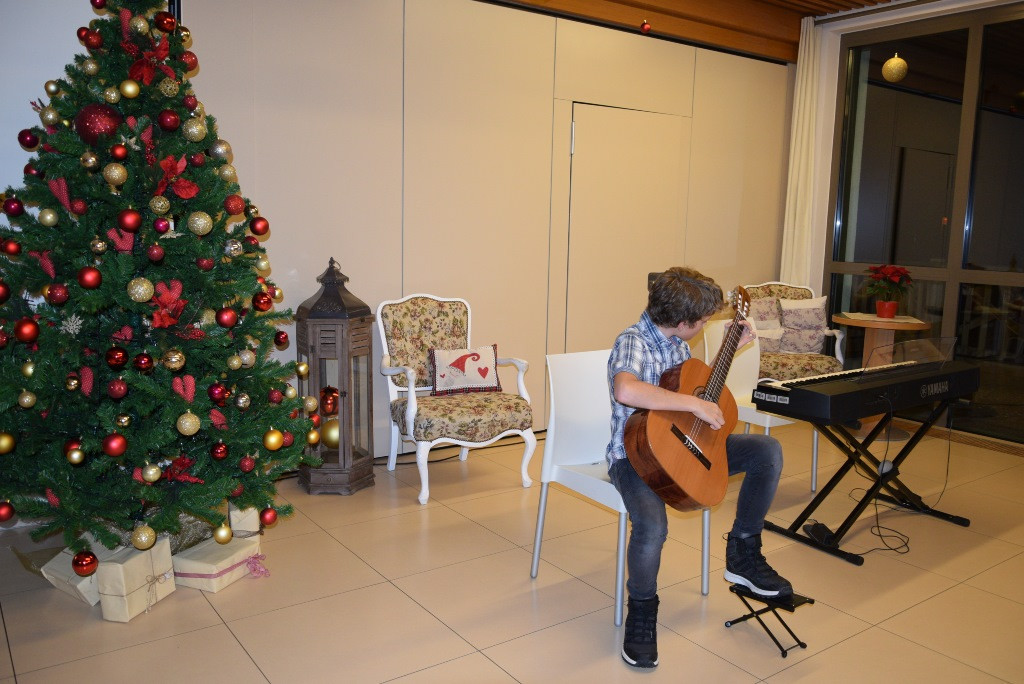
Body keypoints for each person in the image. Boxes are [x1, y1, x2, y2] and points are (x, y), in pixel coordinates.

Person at [606, 267, 791, 669]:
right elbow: (626, 389)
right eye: (704, 320)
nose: (706, 324)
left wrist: (730, 348)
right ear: (682, 320)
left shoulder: (678, 344)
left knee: (767, 451)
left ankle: (743, 552)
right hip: (635, 457)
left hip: (681, 448)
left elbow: (690, 384)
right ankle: (642, 609)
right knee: (653, 527)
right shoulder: (633, 341)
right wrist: (693, 404)